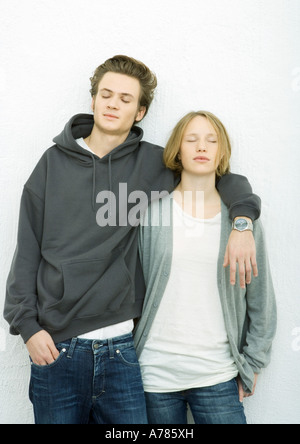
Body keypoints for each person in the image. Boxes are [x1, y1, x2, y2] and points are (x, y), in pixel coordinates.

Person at [4, 56, 261, 424]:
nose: (113, 104)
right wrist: (27, 327)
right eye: (106, 94)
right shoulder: (52, 164)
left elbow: (221, 178)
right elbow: (26, 251)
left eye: (126, 99)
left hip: (123, 352)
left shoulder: (154, 165)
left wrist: (242, 223)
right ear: (93, 101)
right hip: (57, 347)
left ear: (140, 112)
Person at [135, 111, 277, 425]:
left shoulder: (241, 222)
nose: (202, 147)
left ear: (222, 152)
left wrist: (251, 364)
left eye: (212, 140)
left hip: (218, 375)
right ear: (177, 150)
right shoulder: (152, 211)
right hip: (154, 376)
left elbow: (261, 299)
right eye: (192, 139)